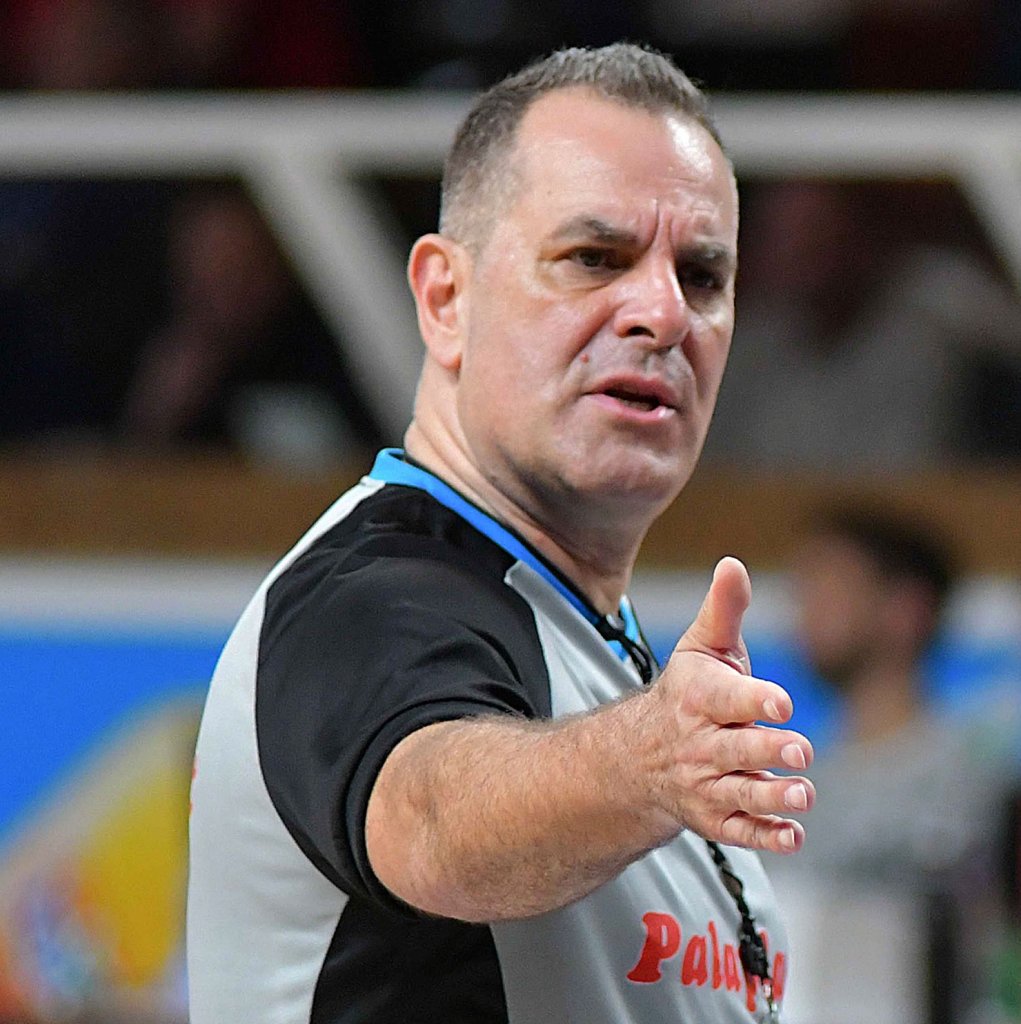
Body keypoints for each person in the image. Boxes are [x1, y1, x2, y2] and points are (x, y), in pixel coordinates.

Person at [187, 43, 815, 1023]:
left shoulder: (583, 636)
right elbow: (431, 815)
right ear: (446, 298)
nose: (662, 313)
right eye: (593, 258)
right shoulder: (369, 599)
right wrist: (650, 763)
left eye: (701, 276)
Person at [763, 505, 1020, 1023]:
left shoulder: (983, 779)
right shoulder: (785, 787)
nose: (806, 611)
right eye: (802, 589)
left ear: (906, 610)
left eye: (831, 587)